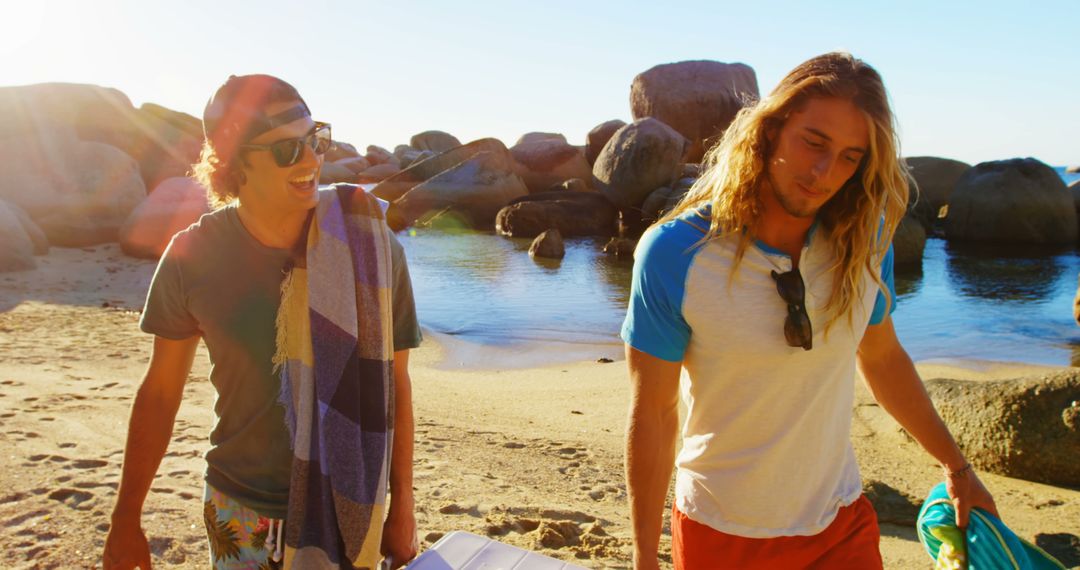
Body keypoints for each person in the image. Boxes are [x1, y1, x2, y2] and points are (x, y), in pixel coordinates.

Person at [622, 52, 998, 569]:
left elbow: (884, 359)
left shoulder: (865, 246)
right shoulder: (675, 254)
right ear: (772, 129)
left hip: (839, 524)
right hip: (723, 531)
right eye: (814, 142)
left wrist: (957, 469)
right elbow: (655, 414)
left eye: (850, 157)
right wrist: (645, 558)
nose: (825, 173)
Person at [103, 74, 422, 569]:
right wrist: (126, 519)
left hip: (351, 504)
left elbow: (394, 384)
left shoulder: (370, 246)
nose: (313, 159)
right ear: (232, 161)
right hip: (241, 510)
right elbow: (160, 393)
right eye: (287, 150)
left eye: (315, 139)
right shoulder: (193, 256)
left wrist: (403, 508)